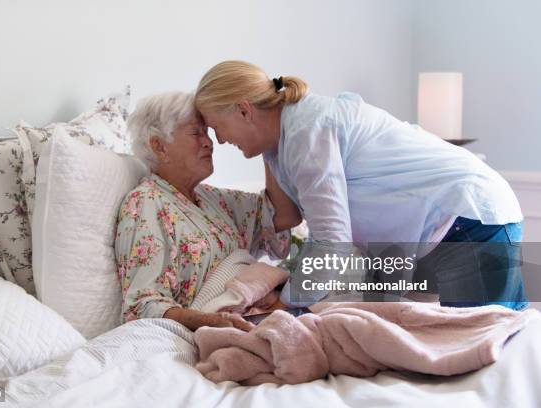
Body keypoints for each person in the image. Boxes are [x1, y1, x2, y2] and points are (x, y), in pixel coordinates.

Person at [194, 60, 528, 310]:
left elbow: (331, 243)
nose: (219, 140)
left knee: (482, 352)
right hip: (441, 230)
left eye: (216, 127)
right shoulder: (281, 144)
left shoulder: (307, 133)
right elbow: (288, 216)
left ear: (243, 110)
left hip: (467, 219)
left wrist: (286, 303)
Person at [115, 91, 301, 332]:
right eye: (196, 133)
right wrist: (215, 322)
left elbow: (281, 216)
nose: (209, 142)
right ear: (159, 146)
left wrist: (266, 140)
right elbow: (143, 306)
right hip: (231, 324)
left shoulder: (213, 198)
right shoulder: (145, 204)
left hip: (270, 307)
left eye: (207, 132)